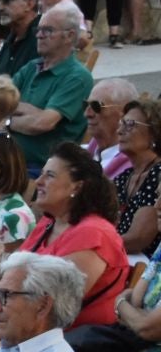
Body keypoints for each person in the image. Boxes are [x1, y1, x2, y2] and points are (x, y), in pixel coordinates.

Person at [23, 143, 128, 329]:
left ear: (77, 187)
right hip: (27, 324)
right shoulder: (50, 222)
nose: (38, 181)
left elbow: (56, 306)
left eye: (50, 175)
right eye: (41, 173)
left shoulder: (94, 233)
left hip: (67, 344)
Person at [8, 7, 91, 173]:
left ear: (70, 36)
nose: (39, 35)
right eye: (38, 29)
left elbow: (42, 123)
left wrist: (7, 121)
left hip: (41, 169)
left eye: (47, 30)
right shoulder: (32, 67)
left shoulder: (77, 77)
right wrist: (30, 112)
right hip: (9, 160)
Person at [111, 96, 159, 256]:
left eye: (129, 124)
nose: (119, 131)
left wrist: (97, 245)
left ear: (154, 132)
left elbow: (139, 238)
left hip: (143, 266)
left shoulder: (158, 175)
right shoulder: (123, 177)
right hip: (116, 255)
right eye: (121, 123)